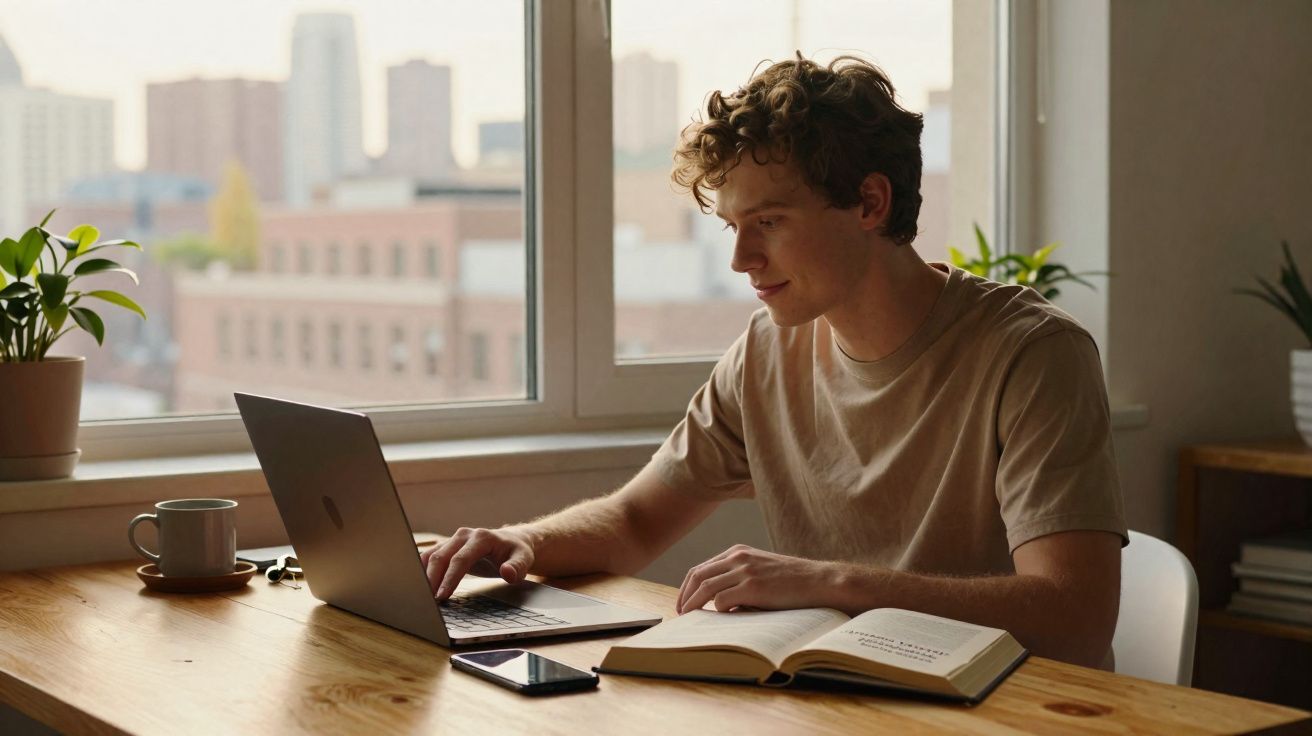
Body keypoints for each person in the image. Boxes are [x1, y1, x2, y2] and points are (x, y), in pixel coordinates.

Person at [421, 54, 1127, 669]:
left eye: (769, 222)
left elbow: (1075, 617)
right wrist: (520, 541)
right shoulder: (765, 354)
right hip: (841, 706)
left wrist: (833, 583)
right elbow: (635, 521)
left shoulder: (1031, 354)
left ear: (870, 203)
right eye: (733, 226)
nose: (740, 259)